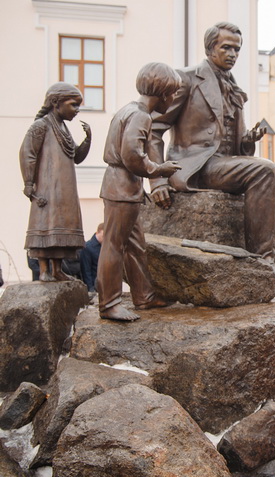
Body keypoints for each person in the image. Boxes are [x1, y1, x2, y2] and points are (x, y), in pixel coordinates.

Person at [149, 22, 275, 293]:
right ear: (210, 48)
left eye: (237, 49)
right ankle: (262, 261)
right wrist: (157, 180)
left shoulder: (234, 89)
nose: (232, 54)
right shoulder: (188, 79)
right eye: (226, 47)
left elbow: (236, 147)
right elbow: (153, 129)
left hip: (225, 164)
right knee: (263, 170)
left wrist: (247, 141)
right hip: (196, 165)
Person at [97, 62, 183, 321]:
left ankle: (144, 296)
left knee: (135, 245)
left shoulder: (128, 110)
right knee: (114, 245)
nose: (172, 100)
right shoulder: (141, 115)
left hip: (127, 186)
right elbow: (132, 156)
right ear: (163, 92)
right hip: (121, 186)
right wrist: (159, 169)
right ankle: (109, 303)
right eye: (172, 94)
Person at [20, 83, 91, 282]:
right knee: (45, 225)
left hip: (64, 190)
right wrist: (28, 182)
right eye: (73, 105)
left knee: (60, 227)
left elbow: (76, 156)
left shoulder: (63, 128)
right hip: (47, 187)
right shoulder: (41, 125)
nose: (77, 110)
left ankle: (58, 269)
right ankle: (44, 270)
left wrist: (88, 139)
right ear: (55, 103)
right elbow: (28, 154)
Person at [80, 223, 104, 292]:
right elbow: (86, 271)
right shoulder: (87, 247)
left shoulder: (106, 247)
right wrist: (91, 289)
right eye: (103, 235)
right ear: (97, 233)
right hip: (94, 287)